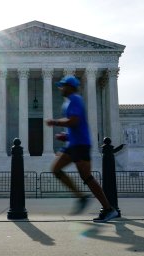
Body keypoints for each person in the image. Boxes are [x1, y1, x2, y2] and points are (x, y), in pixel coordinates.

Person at [45, 75, 118, 223]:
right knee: (56, 169)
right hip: (73, 144)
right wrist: (66, 136)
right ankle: (81, 196)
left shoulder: (76, 100)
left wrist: (55, 122)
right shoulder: (69, 102)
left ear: (70, 87)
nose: (61, 88)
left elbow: (74, 121)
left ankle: (108, 209)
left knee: (87, 177)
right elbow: (75, 125)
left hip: (81, 144)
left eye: (63, 85)